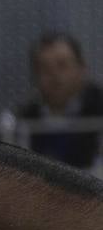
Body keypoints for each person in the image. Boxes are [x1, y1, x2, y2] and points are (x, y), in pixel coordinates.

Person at [14, 32, 103, 169]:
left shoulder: (99, 110)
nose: (54, 75)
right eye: (45, 68)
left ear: (82, 68)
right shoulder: (23, 119)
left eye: (62, 65)